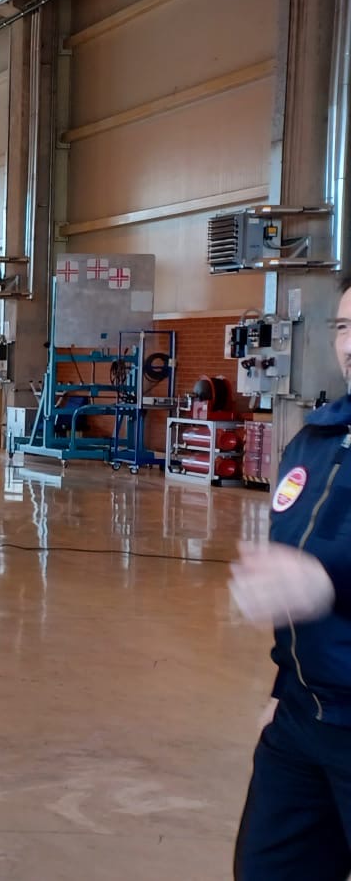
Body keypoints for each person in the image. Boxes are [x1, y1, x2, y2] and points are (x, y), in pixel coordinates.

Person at [230, 274, 351, 880]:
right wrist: (283, 694)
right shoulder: (316, 442)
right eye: (345, 327)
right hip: (304, 721)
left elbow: (321, 575)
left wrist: (330, 583)